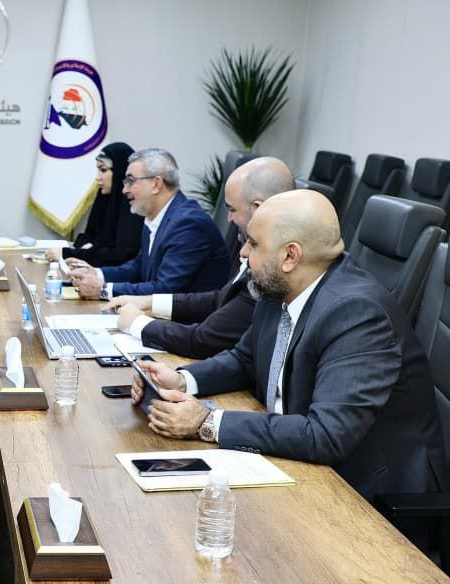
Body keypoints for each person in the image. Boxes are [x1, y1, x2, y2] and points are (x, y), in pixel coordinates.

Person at [131, 190, 445, 517]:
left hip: (364, 496)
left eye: (253, 244)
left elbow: (326, 435)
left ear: (290, 256)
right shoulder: (281, 287)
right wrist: (182, 380)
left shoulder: (357, 313)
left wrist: (207, 422)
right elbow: (244, 359)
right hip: (299, 462)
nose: (243, 253)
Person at [104, 157, 295, 358]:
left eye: (231, 209)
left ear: (257, 209)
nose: (228, 219)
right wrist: (149, 301)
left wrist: (137, 323)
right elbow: (219, 299)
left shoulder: (270, 270)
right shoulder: (258, 249)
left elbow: (203, 340)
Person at [68, 148, 229, 299]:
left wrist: (103, 290)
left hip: (188, 318)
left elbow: (164, 290)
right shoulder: (155, 217)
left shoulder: (188, 224)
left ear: (156, 184)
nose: (124, 190)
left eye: (130, 181)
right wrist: (97, 273)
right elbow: (138, 267)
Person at [45, 142, 142, 266]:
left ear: (120, 171)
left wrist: (69, 254)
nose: (97, 177)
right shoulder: (104, 198)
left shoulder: (134, 206)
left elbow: (120, 256)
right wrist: (88, 251)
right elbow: (88, 237)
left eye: (103, 170)